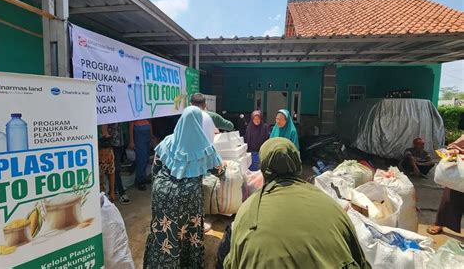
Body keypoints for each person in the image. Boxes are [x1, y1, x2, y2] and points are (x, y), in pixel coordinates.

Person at [224, 138, 371, 269]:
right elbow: (361, 261)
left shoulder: (247, 210)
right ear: (297, 165)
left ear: (263, 169)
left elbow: (231, 263)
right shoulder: (329, 204)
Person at [143, 106, 224, 268]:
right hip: (189, 198)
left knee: (164, 231)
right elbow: (219, 171)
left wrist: (160, 189)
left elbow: (155, 169)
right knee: (188, 234)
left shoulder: (167, 141)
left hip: (162, 192)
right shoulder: (205, 147)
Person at [427, 135, 464, 235]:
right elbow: (455, 146)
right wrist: (455, 150)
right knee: (450, 196)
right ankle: (440, 223)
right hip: (461, 174)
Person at [102, 123, 130, 205]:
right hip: (111, 143)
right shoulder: (108, 113)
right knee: (115, 169)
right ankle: (120, 193)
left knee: (116, 168)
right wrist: (106, 140)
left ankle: (114, 189)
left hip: (119, 142)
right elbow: (104, 128)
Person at [128, 119, 155, 191]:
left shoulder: (146, 109)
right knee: (141, 158)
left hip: (147, 133)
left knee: (146, 158)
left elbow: (150, 122)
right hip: (139, 132)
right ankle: (139, 181)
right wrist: (131, 141)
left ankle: (143, 177)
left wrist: (151, 136)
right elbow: (131, 125)